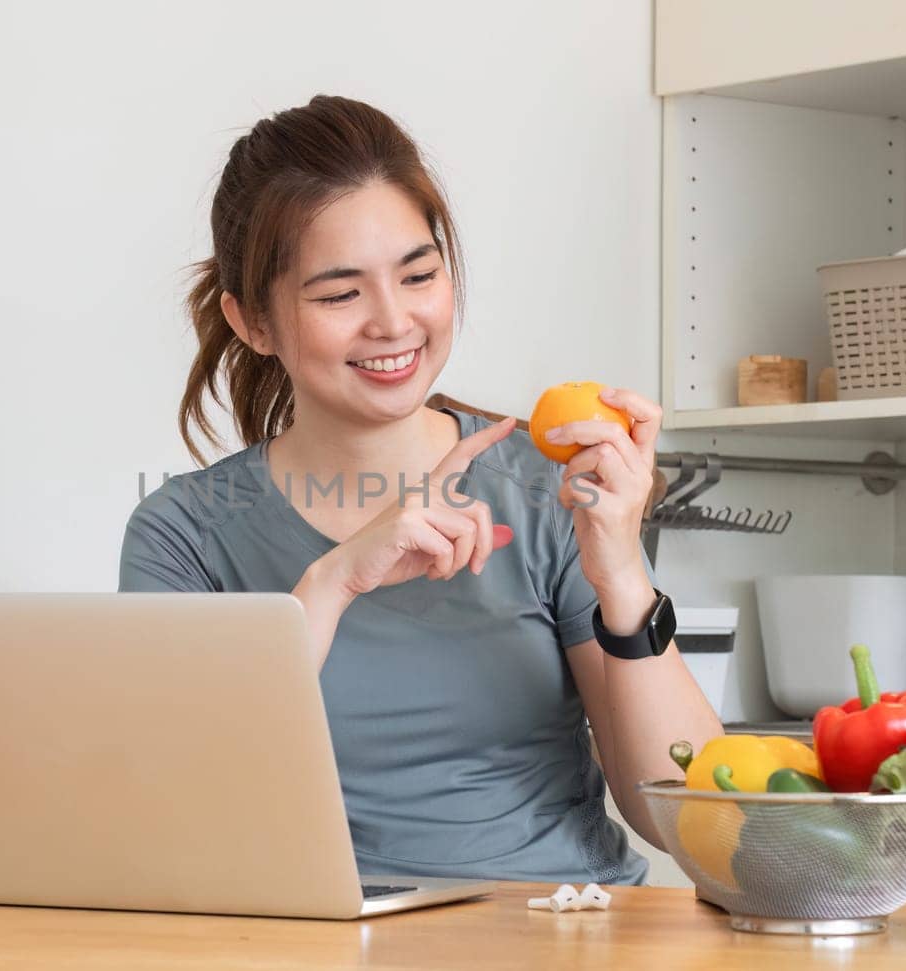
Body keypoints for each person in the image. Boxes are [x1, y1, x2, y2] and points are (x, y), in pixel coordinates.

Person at [119, 95, 722, 885]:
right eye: (340, 294)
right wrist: (333, 581)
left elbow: (688, 817)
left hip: (557, 931)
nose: (394, 320)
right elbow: (175, 802)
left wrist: (621, 578)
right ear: (252, 321)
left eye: (420, 274)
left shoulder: (547, 494)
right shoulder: (186, 534)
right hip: (317, 942)